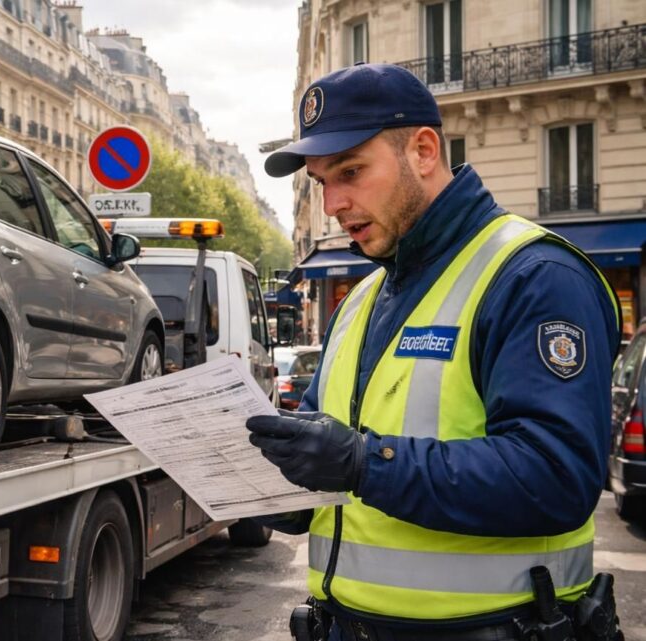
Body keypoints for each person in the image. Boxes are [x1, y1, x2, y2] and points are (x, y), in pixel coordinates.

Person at [248, 63, 624, 640]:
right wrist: (278, 486)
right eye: (322, 182)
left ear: (423, 151)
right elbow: (333, 468)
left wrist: (363, 464)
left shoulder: (535, 275)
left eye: (351, 171)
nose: (333, 204)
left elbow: (557, 478)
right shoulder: (360, 299)